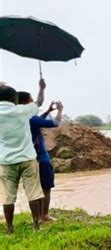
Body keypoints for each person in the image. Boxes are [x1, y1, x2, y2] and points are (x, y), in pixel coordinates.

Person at [0, 80, 46, 233]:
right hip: (27, 158)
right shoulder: (21, 111)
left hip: (6, 161)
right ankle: (36, 225)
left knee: (8, 196)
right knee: (33, 192)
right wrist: (41, 88)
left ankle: (9, 228)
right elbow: (38, 102)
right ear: (14, 99)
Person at [18, 91, 64, 222]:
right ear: (25, 103)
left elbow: (37, 121)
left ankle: (37, 217)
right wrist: (60, 111)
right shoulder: (31, 119)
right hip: (41, 158)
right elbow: (54, 123)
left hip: (27, 158)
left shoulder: (19, 119)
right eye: (31, 100)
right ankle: (44, 216)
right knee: (46, 187)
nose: (33, 103)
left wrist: (48, 110)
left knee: (33, 189)